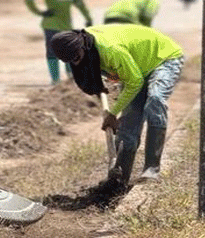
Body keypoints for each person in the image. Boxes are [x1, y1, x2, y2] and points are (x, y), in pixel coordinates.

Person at [50, 24, 185, 186]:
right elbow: (123, 77)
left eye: (76, 58)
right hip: (136, 67)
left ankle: (152, 169)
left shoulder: (110, 50)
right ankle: (119, 178)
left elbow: (134, 82)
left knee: (155, 100)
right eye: (70, 61)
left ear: (82, 47)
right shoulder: (83, 44)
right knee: (128, 123)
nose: (75, 63)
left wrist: (112, 113)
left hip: (163, 58)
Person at [25, 0, 93, 84]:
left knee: (70, 50)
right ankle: (55, 80)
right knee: (52, 51)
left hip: (66, 25)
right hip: (50, 25)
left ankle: (71, 76)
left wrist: (88, 18)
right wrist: (40, 12)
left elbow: (80, 4)